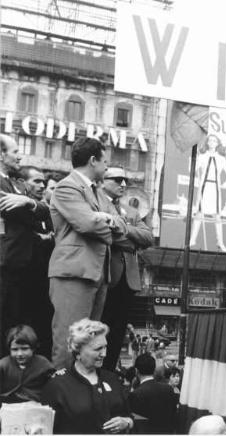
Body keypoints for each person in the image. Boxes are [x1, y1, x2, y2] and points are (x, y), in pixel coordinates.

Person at [48, 137, 123, 369]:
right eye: (105, 163)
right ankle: (61, 396)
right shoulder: (66, 186)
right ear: (93, 161)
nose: (107, 168)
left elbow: (121, 225)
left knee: (89, 342)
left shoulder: (98, 193)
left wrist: (107, 220)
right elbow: (87, 224)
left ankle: (80, 393)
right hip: (74, 273)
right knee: (69, 340)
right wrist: (108, 224)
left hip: (96, 274)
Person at [0, 135, 50, 354]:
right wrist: (32, 206)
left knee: (14, 321)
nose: (20, 155)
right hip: (7, 264)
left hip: (21, 265)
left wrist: (29, 203)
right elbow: (18, 212)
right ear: (2, 154)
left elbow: (41, 211)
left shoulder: (12, 183)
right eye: (15, 151)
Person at [100, 167, 153, 371]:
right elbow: (107, 235)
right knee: (101, 327)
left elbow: (147, 237)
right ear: (103, 181)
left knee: (118, 331)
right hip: (107, 274)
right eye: (117, 179)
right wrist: (132, 241)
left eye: (125, 180)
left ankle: (108, 373)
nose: (123, 184)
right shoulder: (98, 203)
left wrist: (125, 229)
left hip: (128, 279)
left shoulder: (129, 211)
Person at [41, 319, 133, 434]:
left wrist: (127, 422)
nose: (104, 354)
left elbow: (129, 415)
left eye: (105, 347)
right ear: (78, 351)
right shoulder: (57, 385)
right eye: (98, 349)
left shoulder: (112, 379)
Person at [21, 166, 55, 358]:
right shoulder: (21, 208)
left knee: (45, 324)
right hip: (25, 276)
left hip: (47, 279)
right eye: (37, 181)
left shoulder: (49, 212)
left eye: (43, 182)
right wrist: (40, 239)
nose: (41, 186)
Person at [189, 134, 226, 252]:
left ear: (217, 143)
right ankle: (192, 239)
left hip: (215, 188)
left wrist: (224, 185)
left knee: (217, 216)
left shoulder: (221, 158)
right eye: (210, 140)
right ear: (207, 143)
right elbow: (192, 169)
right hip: (204, 187)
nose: (212, 142)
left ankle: (220, 242)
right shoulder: (202, 156)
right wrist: (192, 161)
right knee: (199, 213)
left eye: (214, 141)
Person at [0, 325, 54, 404]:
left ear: (33, 348)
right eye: (15, 349)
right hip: (8, 405)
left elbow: (54, 382)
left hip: (35, 404)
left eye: (24, 348)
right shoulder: (4, 365)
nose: (20, 354)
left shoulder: (42, 363)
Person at [128, 353, 178, 434]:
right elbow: (174, 415)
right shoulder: (168, 389)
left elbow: (136, 423)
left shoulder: (136, 394)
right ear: (154, 370)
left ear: (136, 371)